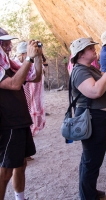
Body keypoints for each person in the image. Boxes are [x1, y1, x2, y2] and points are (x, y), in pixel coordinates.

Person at [69, 37, 106, 200]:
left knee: (92, 159)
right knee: (91, 161)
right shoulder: (80, 71)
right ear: (81, 54)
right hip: (93, 120)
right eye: (90, 48)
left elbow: (105, 82)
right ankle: (87, 196)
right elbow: (95, 91)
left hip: (98, 120)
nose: (94, 49)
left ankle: (89, 191)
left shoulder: (89, 68)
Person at [0, 27, 42, 200]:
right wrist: (30, 58)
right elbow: (14, 84)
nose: (9, 46)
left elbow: (36, 77)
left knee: (21, 163)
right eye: (4, 42)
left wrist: (38, 56)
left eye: (9, 41)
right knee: (6, 169)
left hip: (19, 120)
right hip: (7, 123)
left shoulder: (10, 65)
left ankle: (20, 198)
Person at [14, 41, 46, 137]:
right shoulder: (14, 64)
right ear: (23, 53)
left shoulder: (30, 63)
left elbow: (37, 77)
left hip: (31, 95)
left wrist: (38, 57)